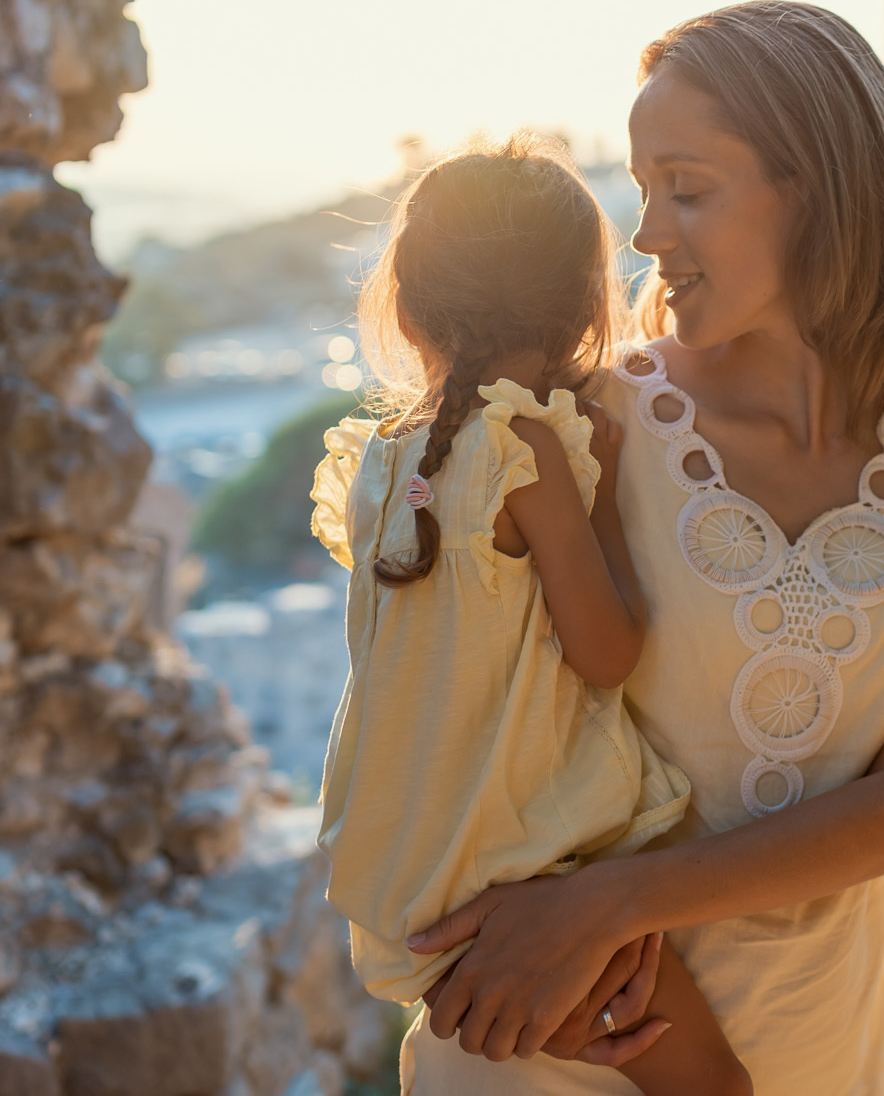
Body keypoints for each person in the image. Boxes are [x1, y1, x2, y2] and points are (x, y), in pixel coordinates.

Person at [401, 2, 884, 1093]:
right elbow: (461, 730)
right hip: (560, 1030)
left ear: (822, 191)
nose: (646, 235)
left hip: (820, 1035)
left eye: (687, 189)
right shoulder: (579, 424)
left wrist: (611, 902)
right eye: (644, 191)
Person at [308, 134, 752, 1095]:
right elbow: (606, 653)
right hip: (522, 868)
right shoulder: (528, 449)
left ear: (411, 306)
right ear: (582, 308)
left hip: (409, 869)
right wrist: (599, 496)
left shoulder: (384, 460)